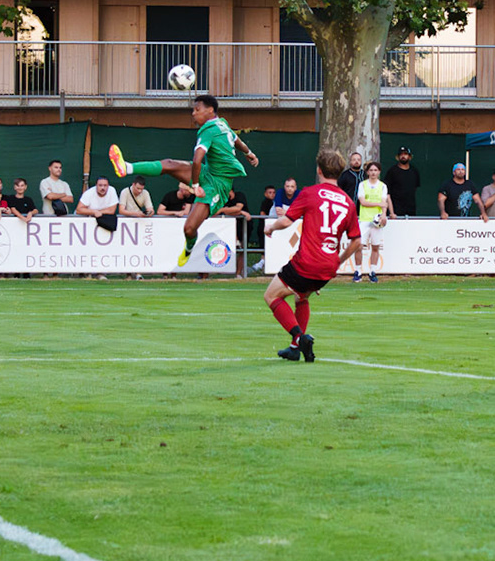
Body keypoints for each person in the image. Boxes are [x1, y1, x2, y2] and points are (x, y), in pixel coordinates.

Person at [110, 94, 260, 267]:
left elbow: (197, 160)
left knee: (189, 229)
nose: (193, 113)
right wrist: (249, 153)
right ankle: (126, 167)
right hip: (208, 172)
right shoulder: (223, 124)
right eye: (193, 110)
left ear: (210, 110)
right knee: (169, 164)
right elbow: (237, 141)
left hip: (218, 186)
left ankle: (189, 247)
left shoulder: (209, 129)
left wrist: (195, 186)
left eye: (197, 109)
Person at [262, 149, 362, 362]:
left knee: (271, 296)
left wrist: (270, 228)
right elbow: (356, 241)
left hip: (306, 263)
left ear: (319, 170)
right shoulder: (348, 202)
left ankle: (299, 338)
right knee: (301, 297)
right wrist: (338, 261)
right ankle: (294, 349)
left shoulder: (310, 192)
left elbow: (287, 220)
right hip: (327, 268)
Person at [354, 160, 389, 283]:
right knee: (359, 246)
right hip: (364, 219)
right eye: (371, 170)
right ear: (367, 172)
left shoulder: (383, 186)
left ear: (379, 172)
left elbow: (384, 202)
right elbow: (363, 202)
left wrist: (384, 215)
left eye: (376, 170)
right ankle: (358, 271)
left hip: (377, 221)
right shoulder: (362, 185)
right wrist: (378, 203)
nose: (373, 173)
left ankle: (372, 271)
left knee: (375, 246)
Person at [385, 147, 422, 217]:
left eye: (405, 154)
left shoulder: (414, 171)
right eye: (401, 154)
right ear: (398, 157)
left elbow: (415, 188)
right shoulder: (392, 171)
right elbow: (387, 191)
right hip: (396, 208)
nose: (403, 156)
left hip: (411, 208)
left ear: (409, 156)